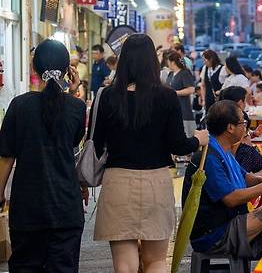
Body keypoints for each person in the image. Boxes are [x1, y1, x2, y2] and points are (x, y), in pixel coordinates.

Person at [91, 34, 209, 272]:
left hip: (118, 182)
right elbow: (178, 146)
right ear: (152, 63)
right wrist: (197, 139)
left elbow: (95, 143)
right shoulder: (166, 96)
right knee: (155, 261)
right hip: (156, 182)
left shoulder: (107, 96)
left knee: (125, 265)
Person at [0, 40, 86, 272]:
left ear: (34, 69)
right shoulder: (77, 108)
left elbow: (6, 158)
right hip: (66, 210)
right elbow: (72, 146)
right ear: (68, 71)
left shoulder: (19, 106)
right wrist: (72, 91)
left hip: (28, 210)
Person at [183, 100, 262, 257]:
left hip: (231, 220)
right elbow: (231, 199)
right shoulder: (209, 157)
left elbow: (245, 177)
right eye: (242, 122)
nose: (245, 126)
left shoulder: (223, 149)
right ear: (230, 128)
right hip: (213, 233)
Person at [217, 86, 262, 175]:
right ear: (230, 128)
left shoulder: (216, 153)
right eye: (243, 124)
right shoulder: (244, 153)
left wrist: (253, 134)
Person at [166, 51, 197, 137]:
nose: (167, 64)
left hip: (183, 110)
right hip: (171, 108)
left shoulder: (184, 73)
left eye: (168, 61)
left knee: (186, 134)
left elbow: (191, 89)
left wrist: (176, 93)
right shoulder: (171, 74)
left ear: (172, 62)